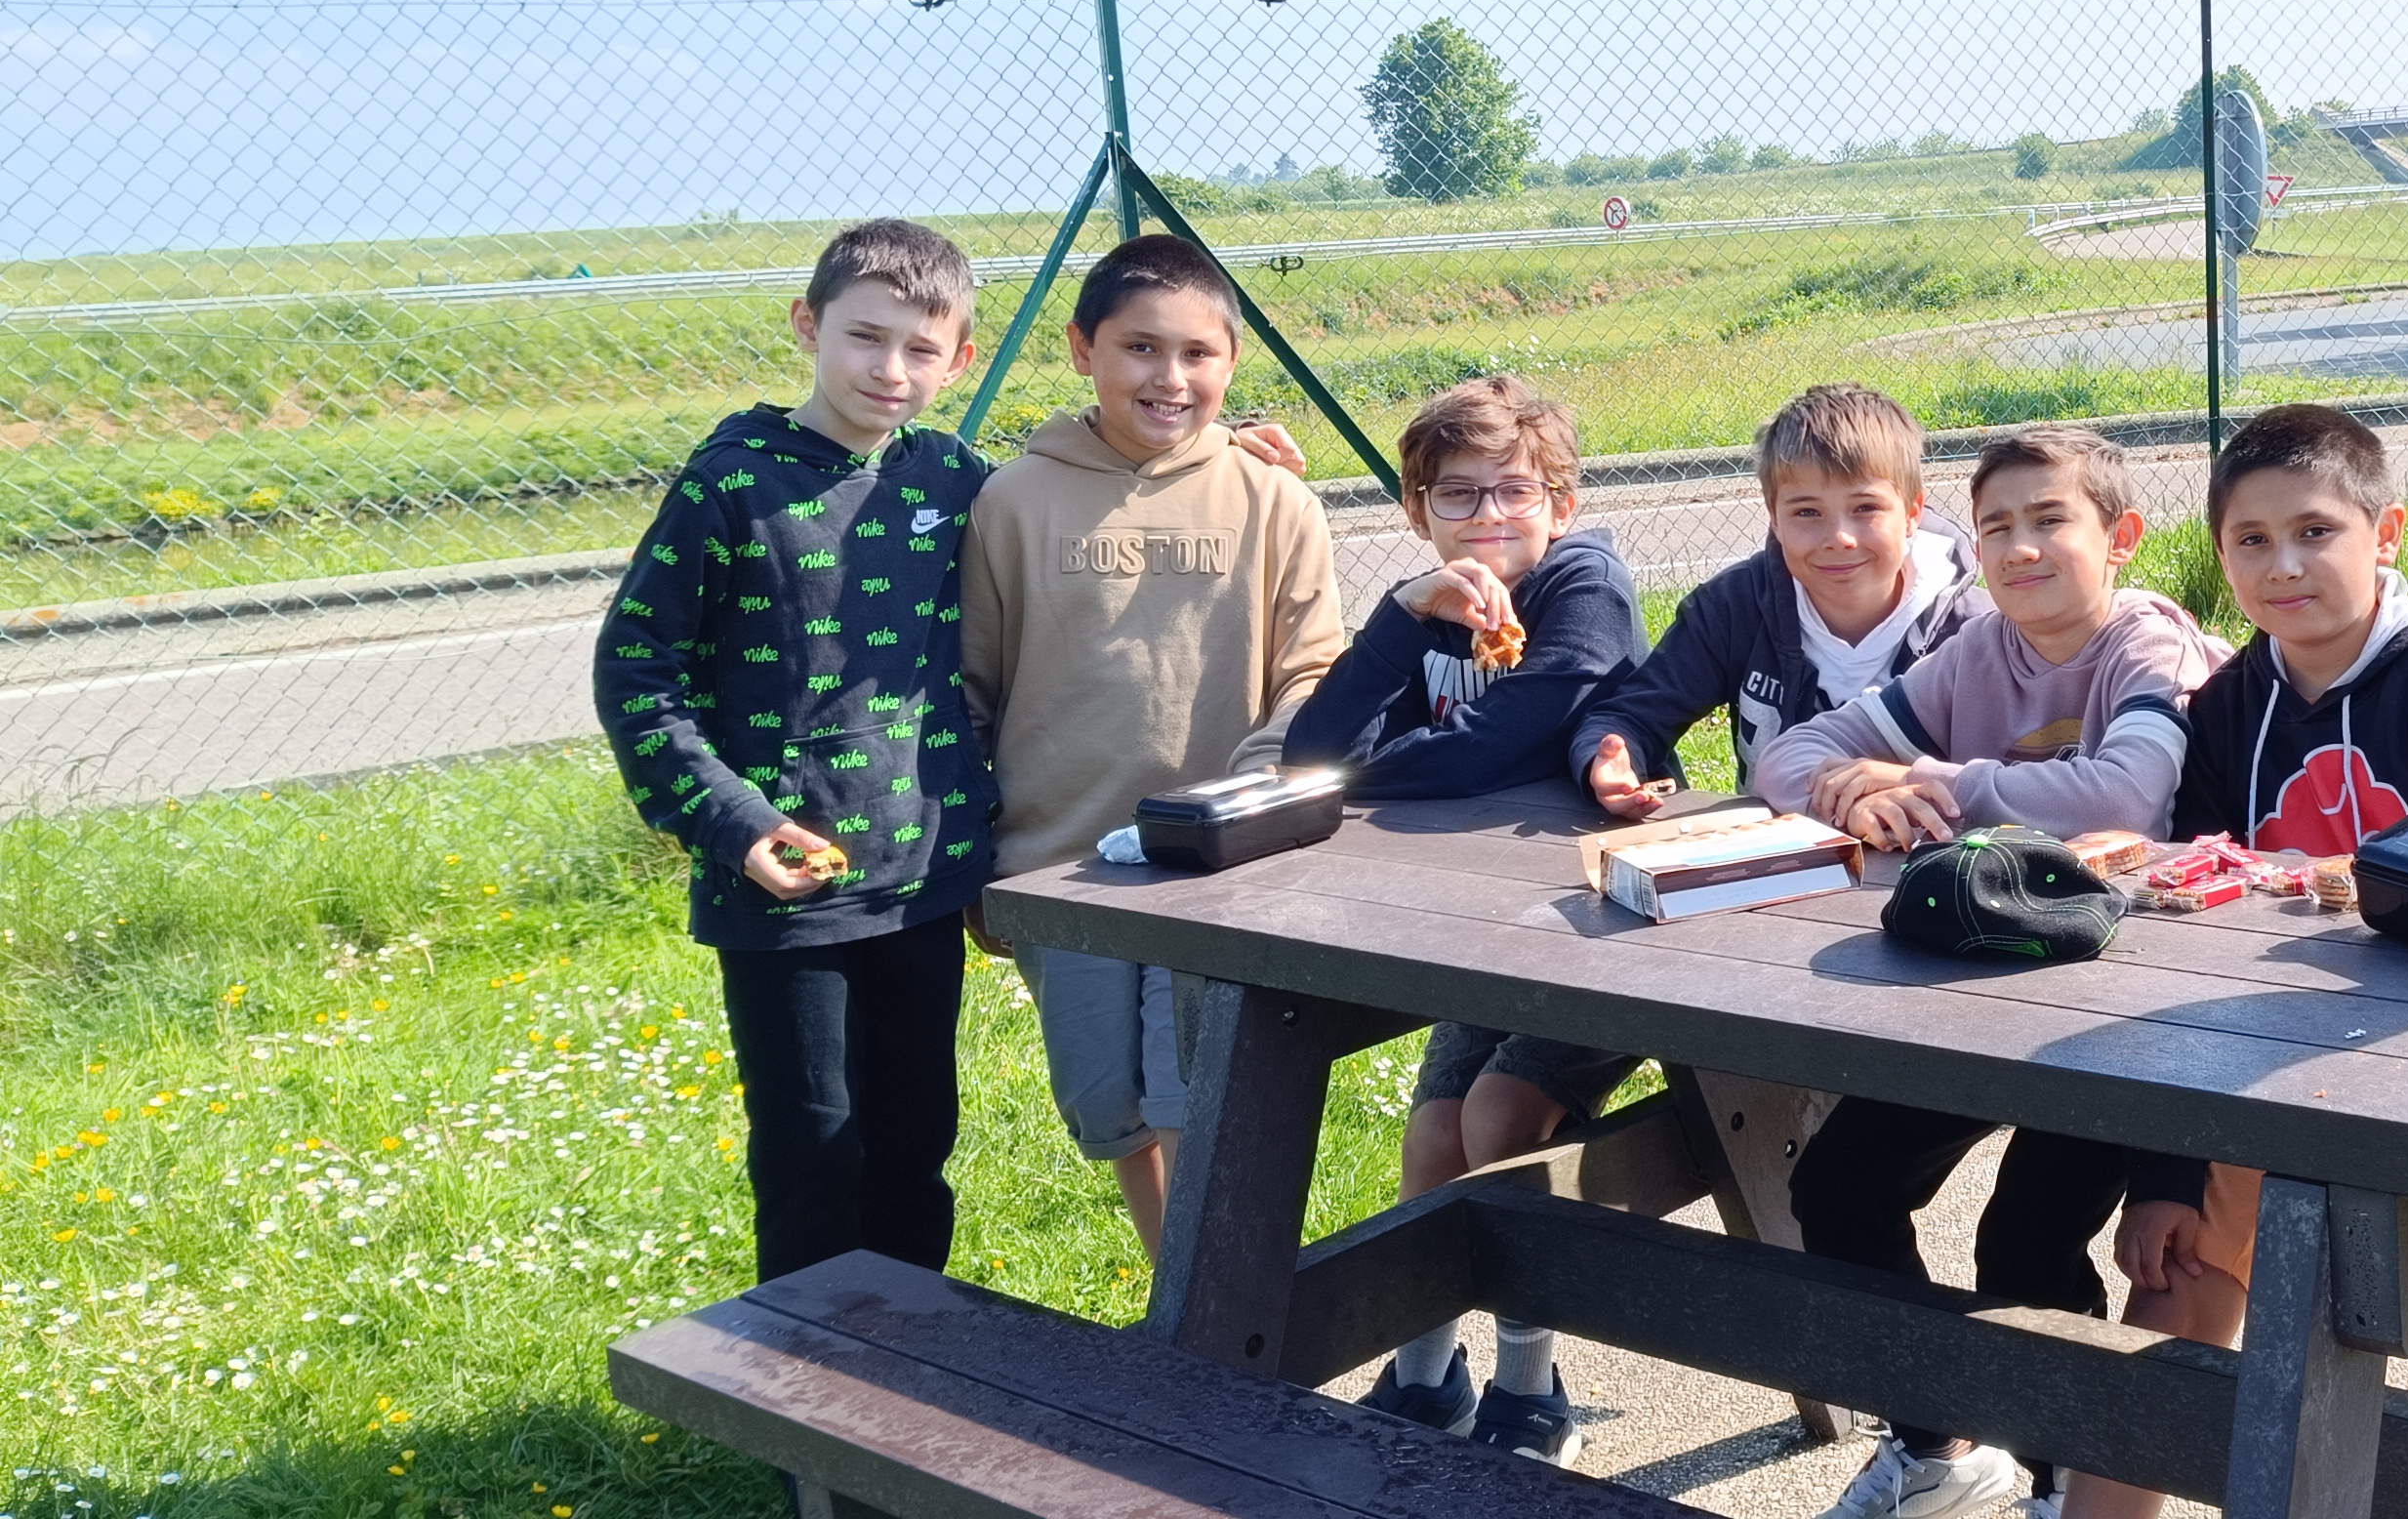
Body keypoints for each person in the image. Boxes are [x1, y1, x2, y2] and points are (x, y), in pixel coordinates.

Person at [2061, 401, 2408, 1519]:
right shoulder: (2226, 707)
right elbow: (2180, 951)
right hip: (2255, 1072)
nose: (2283, 565)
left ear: (2386, 532)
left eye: (2315, 531)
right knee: (2173, 1272)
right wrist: (2163, 1174)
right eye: (2252, 540)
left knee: (2300, 1330)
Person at [1755, 426, 2232, 1519]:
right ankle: (1939, 1444)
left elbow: (2125, 792)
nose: (2020, 548)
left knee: (2023, 1239)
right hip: (1975, 996)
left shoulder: (2146, 643)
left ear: (2120, 536)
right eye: (1996, 528)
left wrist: (1932, 780)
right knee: (1837, 1187)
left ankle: (2060, 1478)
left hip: (2121, 1014)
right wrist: (1849, 790)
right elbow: (1787, 755)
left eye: (2049, 520)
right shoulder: (1980, 652)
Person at [594, 218, 1004, 1290]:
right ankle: (805, 1386)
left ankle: (908, 1359)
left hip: (921, 881)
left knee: (915, 1144)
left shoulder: (953, 477)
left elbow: (1075, 511)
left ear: (960, 360)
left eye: (921, 349)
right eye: (865, 336)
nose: (890, 369)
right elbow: (636, 670)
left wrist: (1213, 458)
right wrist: (733, 824)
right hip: (787, 896)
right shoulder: (728, 485)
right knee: (813, 1158)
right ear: (807, 326)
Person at [1275, 372, 1649, 1466]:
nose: (1488, 516)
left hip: (1606, 925)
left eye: (1514, 491)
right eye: (1458, 495)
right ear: (1416, 511)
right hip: (1485, 926)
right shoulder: (1430, 605)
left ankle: (1531, 1387)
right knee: (1436, 1132)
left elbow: (1495, 750)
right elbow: (1312, 753)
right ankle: (1425, 1369)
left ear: (1561, 505)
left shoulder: (1584, 587)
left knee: (1498, 1116)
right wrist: (1399, 621)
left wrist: (1366, 773)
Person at [960, 232, 1345, 1269]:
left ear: (1232, 362)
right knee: (1112, 1104)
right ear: (1082, 348)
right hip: (1061, 866)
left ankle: (1214, 1320)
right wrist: (975, 864)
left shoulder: (1275, 499)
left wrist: (1245, 794)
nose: (1169, 377)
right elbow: (973, 687)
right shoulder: (1010, 502)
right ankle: (1191, 1304)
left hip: (1215, 867)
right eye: (1140, 348)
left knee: (1196, 1098)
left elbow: (1313, 669)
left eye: (1197, 353)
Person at [1573, 382, 1991, 818]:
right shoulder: (1734, 607)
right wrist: (1611, 757)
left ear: (1912, 513)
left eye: (1865, 508)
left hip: (1934, 849)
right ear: (1774, 518)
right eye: (1807, 512)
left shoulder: (1976, 630)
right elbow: (1635, 715)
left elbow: (2013, 777)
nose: (1839, 538)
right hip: (1779, 847)